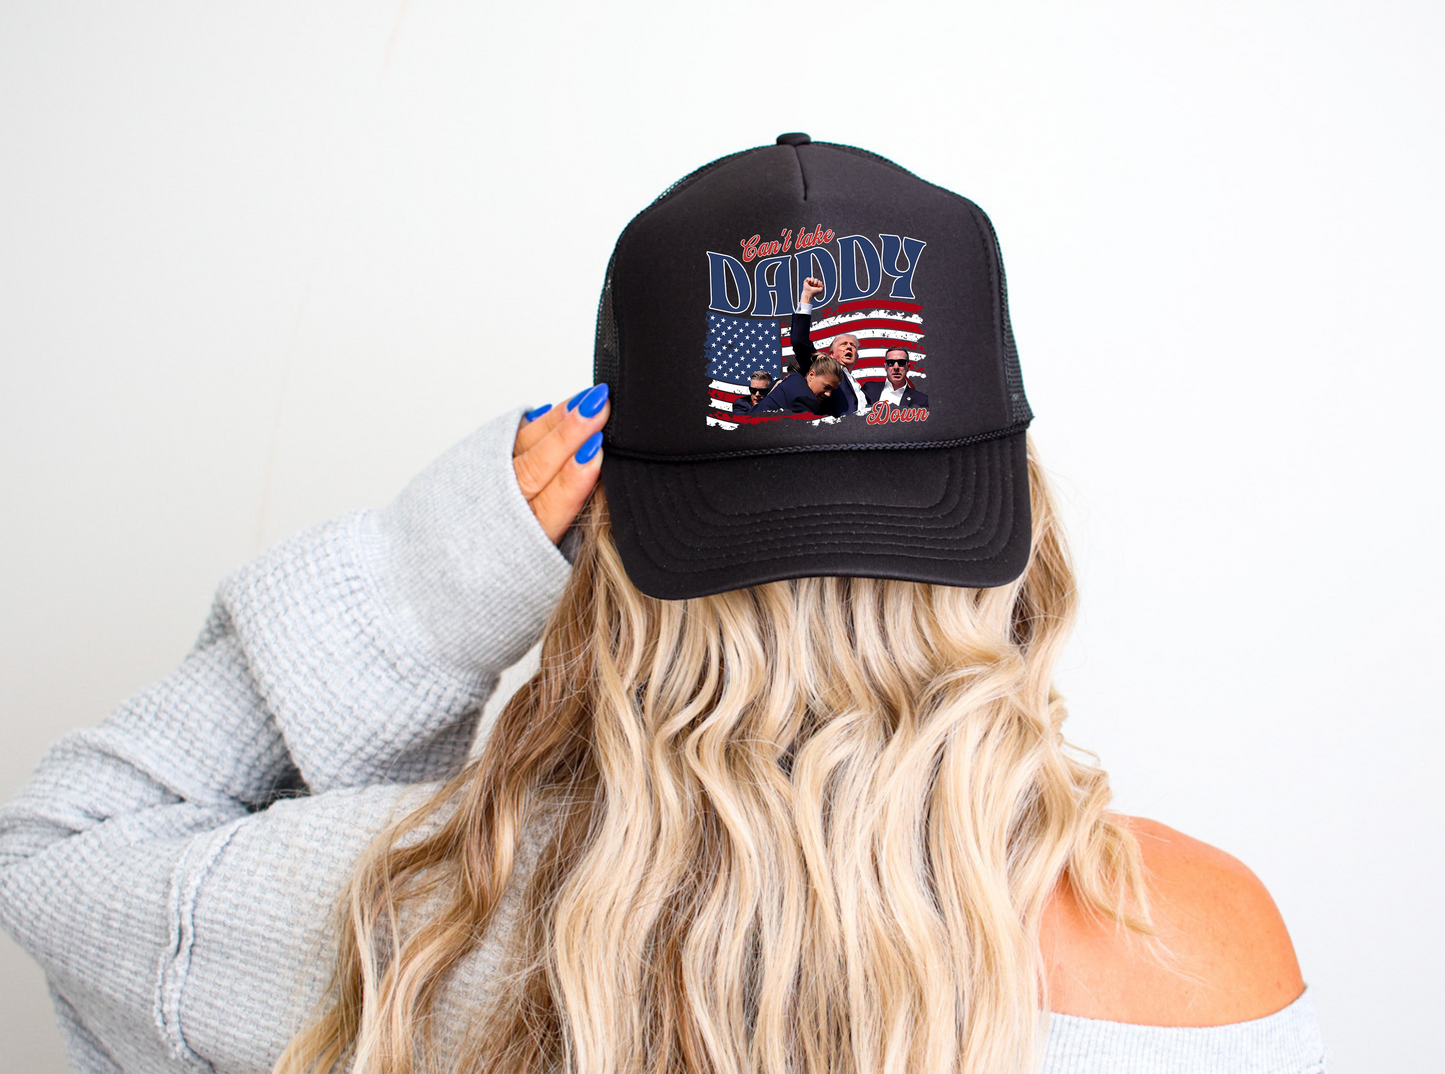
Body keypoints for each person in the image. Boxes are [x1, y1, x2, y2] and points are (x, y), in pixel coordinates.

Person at [0, 135, 1325, 1074]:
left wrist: (441, 570)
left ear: (607, 538)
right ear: (1014, 529)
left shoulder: (413, 914)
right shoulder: (1202, 946)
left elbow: (56, 849)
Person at [786, 275, 869, 416]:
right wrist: (807, 296)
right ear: (831, 354)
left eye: (853, 346)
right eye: (843, 344)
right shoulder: (823, 369)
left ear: (857, 357)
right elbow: (799, 342)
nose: (849, 347)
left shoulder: (861, 389)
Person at [751, 355, 842, 415]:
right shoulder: (806, 400)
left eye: (832, 390)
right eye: (826, 387)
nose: (828, 394)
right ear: (811, 375)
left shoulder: (795, 377)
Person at [863, 347, 929, 410]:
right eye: (891, 362)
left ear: (908, 367)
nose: (896, 367)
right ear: (885, 367)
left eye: (901, 362)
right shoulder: (868, 389)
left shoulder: (922, 400)